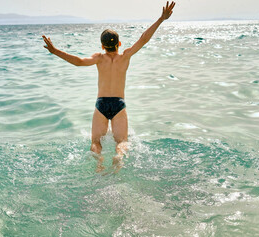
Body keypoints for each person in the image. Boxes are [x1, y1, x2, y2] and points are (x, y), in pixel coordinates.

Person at [42, 1, 176, 172]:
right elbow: (143, 39)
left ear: (103, 46)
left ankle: (99, 164)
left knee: (96, 142)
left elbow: (78, 61)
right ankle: (119, 156)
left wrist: (56, 51)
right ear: (119, 44)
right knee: (122, 142)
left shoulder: (99, 57)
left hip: (101, 104)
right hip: (119, 104)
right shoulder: (125, 56)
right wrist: (161, 19)